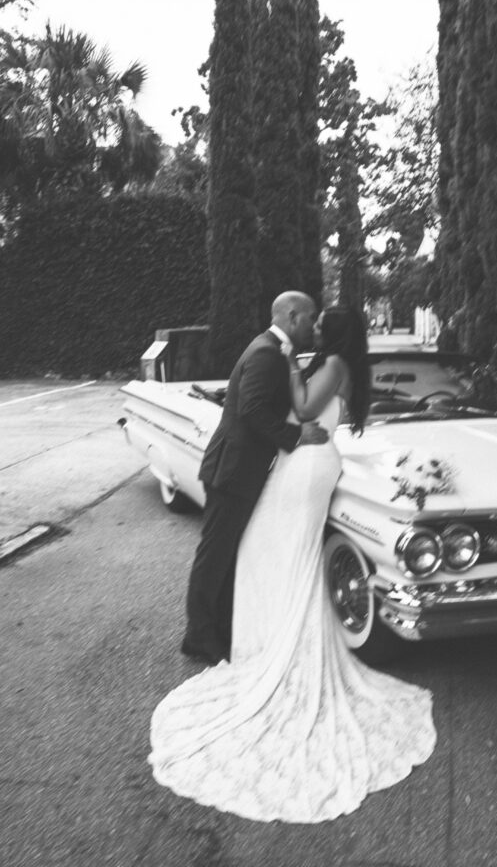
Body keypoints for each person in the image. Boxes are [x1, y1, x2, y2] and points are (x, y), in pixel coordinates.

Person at [149, 306, 436, 823]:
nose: (317, 328)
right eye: (313, 319)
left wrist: (290, 365)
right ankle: (248, 637)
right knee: (270, 550)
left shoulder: (324, 363)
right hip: (296, 463)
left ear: (333, 331)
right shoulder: (307, 356)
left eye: (323, 323)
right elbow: (276, 410)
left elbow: (303, 411)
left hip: (305, 467)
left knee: (284, 551)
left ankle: (265, 643)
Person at [181, 291, 329, 667]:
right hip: (232, 470)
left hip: (238, 469)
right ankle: (198, 637)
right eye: (310, 318)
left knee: (227, 553)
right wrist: (297, 437)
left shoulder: (274, 350)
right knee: (214, 556)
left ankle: (218, 630)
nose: (313, 325)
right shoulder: (266, 352)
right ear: (293, 316)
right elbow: (253, 410)